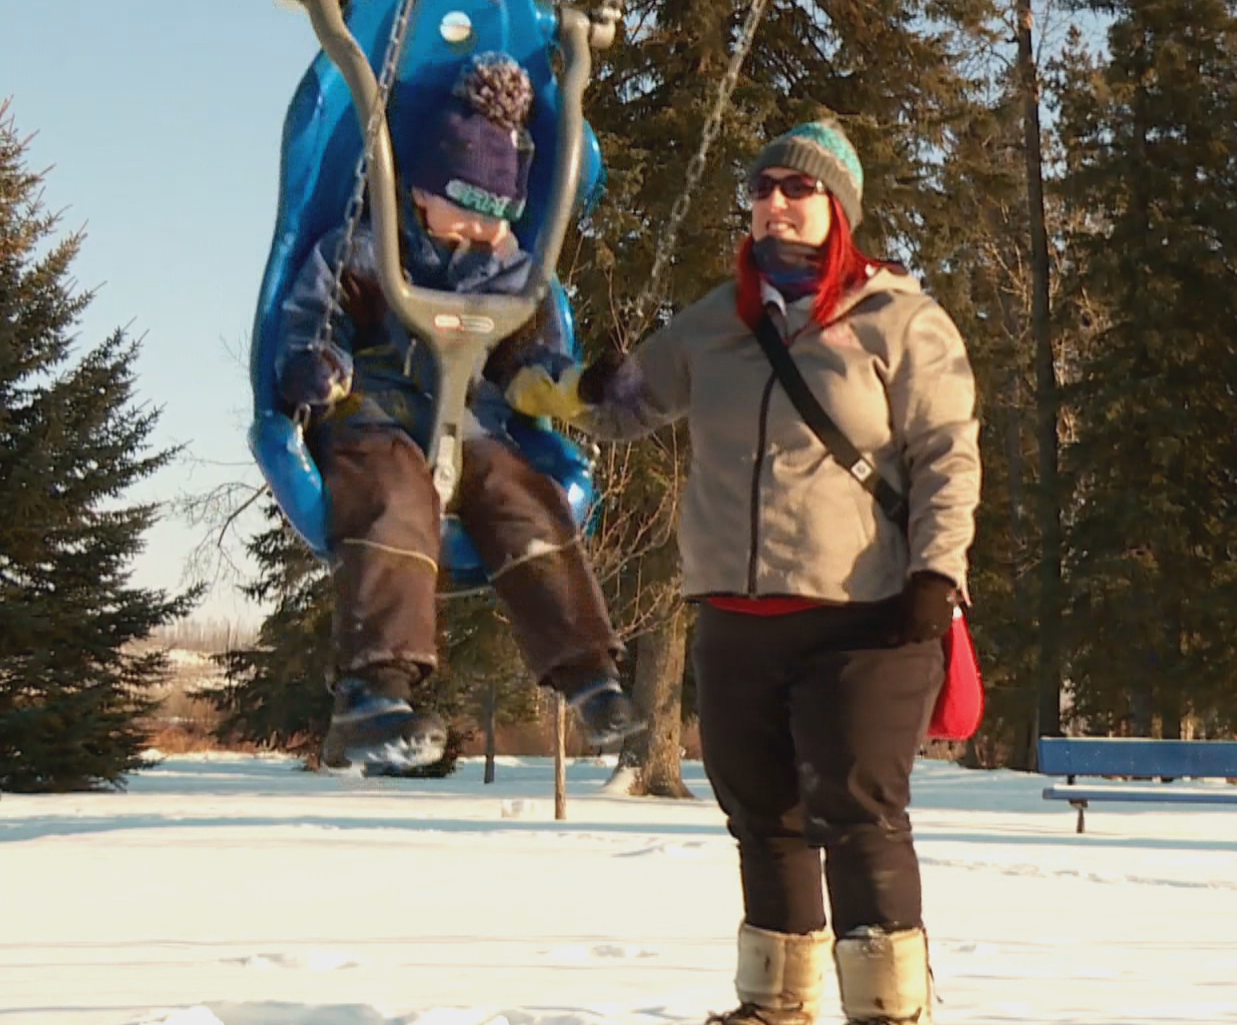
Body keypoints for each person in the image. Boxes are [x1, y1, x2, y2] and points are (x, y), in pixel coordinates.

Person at [521, 119, 980, 1024]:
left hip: (872, 613)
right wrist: (559, 389)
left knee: (855, 812)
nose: (774, 204)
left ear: (836, 206)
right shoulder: (714, 322)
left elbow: (947, 457)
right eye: (764, 188)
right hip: (733, 613)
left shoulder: (901, 318)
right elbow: (625, 409)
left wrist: (938, 570)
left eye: (797, 190)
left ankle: (889, 1010)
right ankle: (775, 1005)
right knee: (761, 815)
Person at [275, 52, 638, 774]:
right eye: (469, 207)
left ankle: (589, 672)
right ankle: (375, 686)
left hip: (472, 423)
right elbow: (310, 324)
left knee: (524, 498)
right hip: (373, 414)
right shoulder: (362, 247)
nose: (483, 228)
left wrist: (577, 390)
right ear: (421, 192)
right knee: (392, 500)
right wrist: (316, 370)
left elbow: (528, 372)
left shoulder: (509, 278)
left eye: (500, 214)